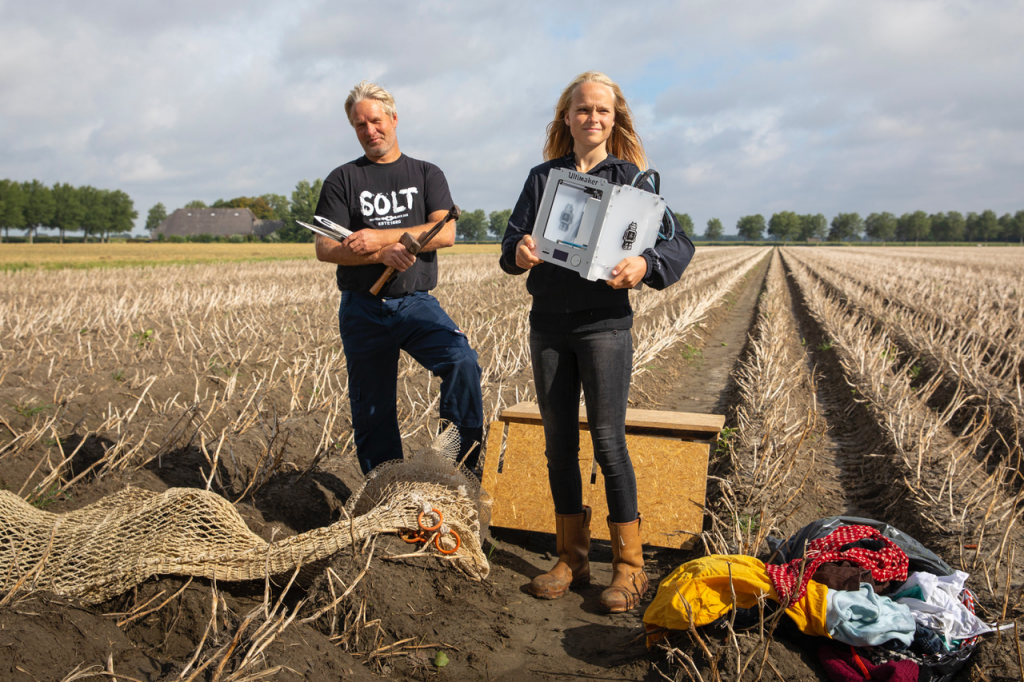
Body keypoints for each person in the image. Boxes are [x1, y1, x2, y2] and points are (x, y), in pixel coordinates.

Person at [499, 72, 695, 613]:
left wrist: (645, 263)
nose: (591, 118)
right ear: (567, 118)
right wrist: (519, 251)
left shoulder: (635, 181)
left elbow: (680, 243)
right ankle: (573, 557)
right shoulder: (543, 179)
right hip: (549, 326)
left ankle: (628, 567)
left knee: (608, 442)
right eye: (582, 110)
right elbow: (510, 243)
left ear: (615, 119)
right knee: (558, 444)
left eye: (601, 111)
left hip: (605, 327)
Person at [315, 80, 484, 476]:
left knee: (462, 362)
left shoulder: (426, 174)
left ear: (393, 119)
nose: (369, 131)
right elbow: (325, 247)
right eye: (360, 125)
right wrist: (380, 254)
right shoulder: (342, 180)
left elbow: (444, 231)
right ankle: (386, 493)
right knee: (371, 408)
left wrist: (382, 237)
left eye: (375, 121)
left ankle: (454, 469)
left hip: (414, 302)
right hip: (361, 308)